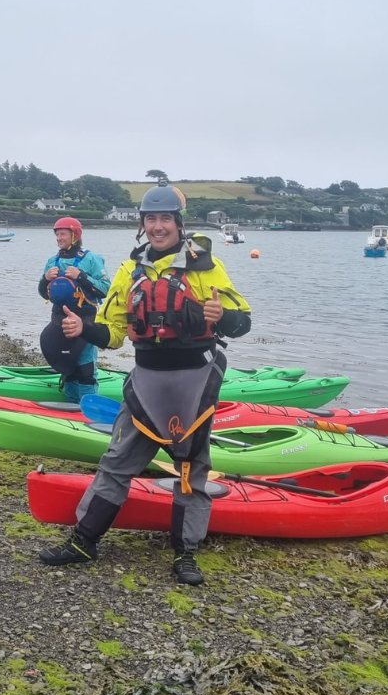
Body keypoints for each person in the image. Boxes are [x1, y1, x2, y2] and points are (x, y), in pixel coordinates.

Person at [38, 182, 251, 585]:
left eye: (165, 219)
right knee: (116, 462)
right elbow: (113, 332)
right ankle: (83, 542)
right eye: (151, 219)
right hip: (148, 380)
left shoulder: (205, 266)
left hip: (194, 382)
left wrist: (221, 316)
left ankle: (185, 554)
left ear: (177, 223)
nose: (158, 226)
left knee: (190, 469)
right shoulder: (129, 270)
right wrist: (82, 327)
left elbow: (242, 321)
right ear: (142, 224)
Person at [38, 216, 109, 402]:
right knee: (67, 368)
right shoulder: (52, 262)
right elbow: (44, 294)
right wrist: (46, 279)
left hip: (85, 322)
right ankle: (70, 406)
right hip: (59, 321)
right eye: (57, 235)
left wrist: (81, 276)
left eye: (63, 234)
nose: (59, 238)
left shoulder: (91, 259)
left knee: (85, 370)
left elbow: (105, 289)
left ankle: (88, 408)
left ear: (75, 235)